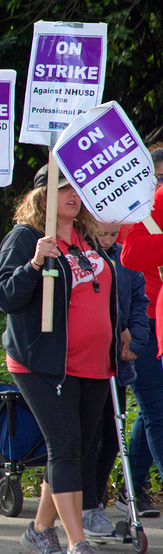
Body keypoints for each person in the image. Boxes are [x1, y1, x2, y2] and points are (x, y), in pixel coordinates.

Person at [0, 168, 116, 554]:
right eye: (62, 188)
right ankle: (78, 543)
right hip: (44, 363)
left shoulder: (87, 237)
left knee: (76, 450)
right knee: (64, 446)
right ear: (41, 196)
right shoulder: (26, 237)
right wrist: (34, 264)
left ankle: (40, 529)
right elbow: (4, 297)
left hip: (93, 363)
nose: (72, 195)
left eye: (76, 188)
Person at [80, 222, 149, 538]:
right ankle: (86, 505)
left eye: (112, 234)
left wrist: (135, 340)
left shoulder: (125, 260)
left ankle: (95, 498)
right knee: (89, 435)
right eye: (101, 234)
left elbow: (139, 303)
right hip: (87, 360)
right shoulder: (81, 258)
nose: (107, 240)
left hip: (115, 365)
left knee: (112, 436)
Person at [119, 145, 163, 518]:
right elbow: (128, 257)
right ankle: (133, 487)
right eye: (157, 178)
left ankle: (131, 485)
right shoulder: (137, 211)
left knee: (154, 409)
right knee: (156, 409)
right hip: (144, 320)